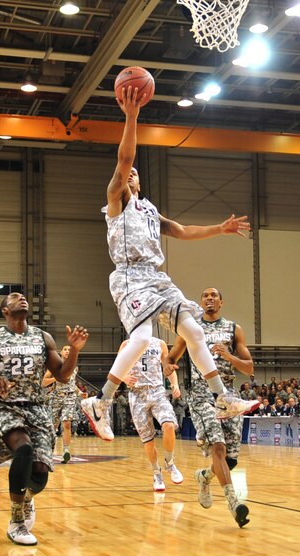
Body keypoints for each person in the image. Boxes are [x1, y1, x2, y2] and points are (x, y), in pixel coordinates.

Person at [79, 86, 257, 442]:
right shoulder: (116, 203)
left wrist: (219, 229)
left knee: (193, 331)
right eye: (126, 173)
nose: (129, 176)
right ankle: (101, 402)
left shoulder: (149, 209)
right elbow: (124, 161)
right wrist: (131, 117)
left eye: (134, 174)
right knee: (143, 336)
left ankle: (222, 397)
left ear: (141, 181)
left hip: (157, 277)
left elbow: (182, 230)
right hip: (129, 277)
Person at [0, 292, 88, 546]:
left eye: (23, 297)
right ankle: (16, 522)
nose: (21, 298)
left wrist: (74, 352)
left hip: (38, 408)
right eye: (14, 297)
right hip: (6, 408)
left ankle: (27, 499)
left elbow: (63, 376)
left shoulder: (42, 337)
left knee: (39, 475)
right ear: (4, 310)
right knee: (23, 449)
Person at [168, 287, 255, 528]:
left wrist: (229, 357)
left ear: (221, 302)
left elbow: (249, 368)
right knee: (218, 446)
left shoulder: (233, 329)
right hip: (200, 393)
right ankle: (234, 503)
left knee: (231, 459)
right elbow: (171, 357)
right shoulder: (190, 328)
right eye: (205, 295)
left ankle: (204, 477)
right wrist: (167, 367)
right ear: (201, 301)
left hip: (227, 393)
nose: (209, 298)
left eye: (214, 295)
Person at [121, 336, 184, 491]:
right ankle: (157, 473)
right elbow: (117, 368)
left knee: (169, 425)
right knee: (148, 440)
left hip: (157, 392)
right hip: (137, 395)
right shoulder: (127, 344)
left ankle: (169, 463)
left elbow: (168, 367)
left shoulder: (160, 343)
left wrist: (175, 384)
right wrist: (124, 377)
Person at [42, 345, 82, 463]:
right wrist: (57, 377)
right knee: (53, 425)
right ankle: (49, 449)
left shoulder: (74, 367)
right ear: (61, 353)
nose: (67, 351)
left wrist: (80, 392)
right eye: (65, 349)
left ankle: (66, 450)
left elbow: (72, 384)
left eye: (69, 350)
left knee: (67, 423)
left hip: (70, 396)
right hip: (56, 397)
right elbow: (43, 382)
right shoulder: (54, 367)